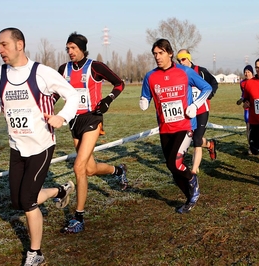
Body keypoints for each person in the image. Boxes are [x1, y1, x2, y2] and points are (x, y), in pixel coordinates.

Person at [0, 28, 78, 266]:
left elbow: (72, 96)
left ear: (20, 45)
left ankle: (35, 253)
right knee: (17, 201)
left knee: (28, 201)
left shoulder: (41, 73)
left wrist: (62, 117)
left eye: (3, 45)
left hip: (41, 145)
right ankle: (60, 191)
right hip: (16, 146)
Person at [57, 32, 126, 233]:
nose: (70, 52)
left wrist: (107, 100)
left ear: (82, 48)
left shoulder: (95, 67)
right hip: (74, 121)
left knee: (78, 167)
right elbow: (53, 93)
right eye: (67, 48)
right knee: (89, 169)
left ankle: (78, 217)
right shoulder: (63, 69)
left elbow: (119, 83)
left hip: (92, 119)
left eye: (73, 48)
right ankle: (118, 170)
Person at [140, 39, 212, 214]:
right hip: (165, 128)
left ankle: (192, 180)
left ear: (170, 53)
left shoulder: (185, 72)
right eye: (155, 54)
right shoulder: (150, 76)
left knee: (175, 163)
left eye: (161, 53)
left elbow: (207, 88)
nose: (157, 57)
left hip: (185, 125)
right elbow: (146, 96)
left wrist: (195, 105)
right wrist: (144, 100)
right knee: (172, 168)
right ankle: (190, 197)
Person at [176, 49, 218, 178]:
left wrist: (209, 94)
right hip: (187, 113)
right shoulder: (179, 73)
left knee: (196, 139)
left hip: (201, 110)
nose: (181, 62)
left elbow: (214, 83)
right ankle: (210, 144)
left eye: (183, 59)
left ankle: (194, 170)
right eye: (179, 60)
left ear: (189, 58)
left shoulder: (200, 71)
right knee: (192, 138)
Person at [237, 65, 254, 154]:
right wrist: (241, 100)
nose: (247, 74)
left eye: (248, 72)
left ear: (252, 73)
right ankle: (250, 146)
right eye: (245, 72)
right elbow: (244, 93)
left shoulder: (256, 81)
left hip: (256, 107)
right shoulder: (242, 83)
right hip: (247, 107)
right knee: (248, 126)